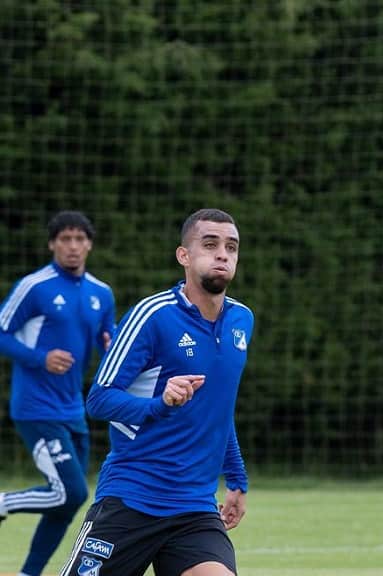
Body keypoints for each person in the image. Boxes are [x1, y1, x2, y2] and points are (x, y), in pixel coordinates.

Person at [58, 208, 253, 576]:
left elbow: (219, 409)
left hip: (194, 509)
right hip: (132, 499)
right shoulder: (152, 315)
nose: (222, 254)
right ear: (184, 255)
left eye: (231, 246)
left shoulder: (242, 320)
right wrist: (159, 404)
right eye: (209, 244)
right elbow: (98, 399)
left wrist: (237, 476)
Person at [0, 211, 115, 576]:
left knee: (65, 504)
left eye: (80, 239)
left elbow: (108, 341)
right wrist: (39, 358)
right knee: (73, 493)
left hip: (74, 410)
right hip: (35, 407)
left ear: (90, 245)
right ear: (52, 244)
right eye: (65, 239)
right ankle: (4, 502)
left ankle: (27, 574)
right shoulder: (34, 286)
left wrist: (113, 346)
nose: (73, 246)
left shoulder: (101, 293)